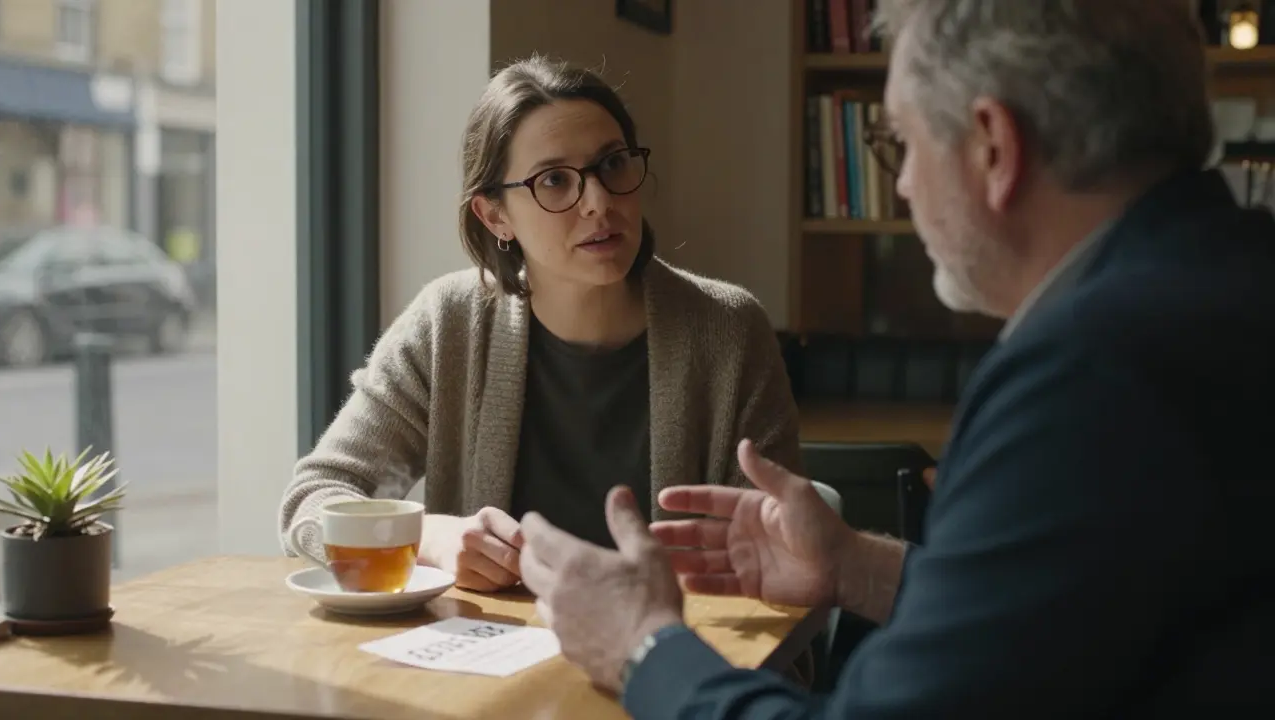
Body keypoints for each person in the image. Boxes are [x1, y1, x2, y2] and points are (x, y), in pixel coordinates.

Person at [518, 1, 1275, 716]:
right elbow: (1088, 609)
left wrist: (642, 645)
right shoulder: (1223, 284)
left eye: (903, 145)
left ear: (992, 147)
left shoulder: (1088, 377)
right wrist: (856, 567)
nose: (904, 183)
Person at [277, 55, 803, 593]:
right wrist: (429, 538)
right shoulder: (449, 324)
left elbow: (775, 556)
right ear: (494, 215)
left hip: (671, 657)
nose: (599, 202)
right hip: (493, 662)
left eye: (614, 164)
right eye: (554, 180)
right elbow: (314, 499)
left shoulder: (728, 332)